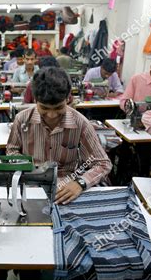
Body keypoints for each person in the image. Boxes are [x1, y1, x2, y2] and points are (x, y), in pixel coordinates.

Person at [7, 67, 112, 205]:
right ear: (35, 100)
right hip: (30, 183)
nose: (51, 115)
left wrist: (80, 183)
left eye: (58, 108)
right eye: (44, 108)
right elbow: (12, 151)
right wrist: (31, 169)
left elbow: (103, 163)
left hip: (67, 186)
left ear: (68, 98)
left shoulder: (81, 123)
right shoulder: (22, 120)